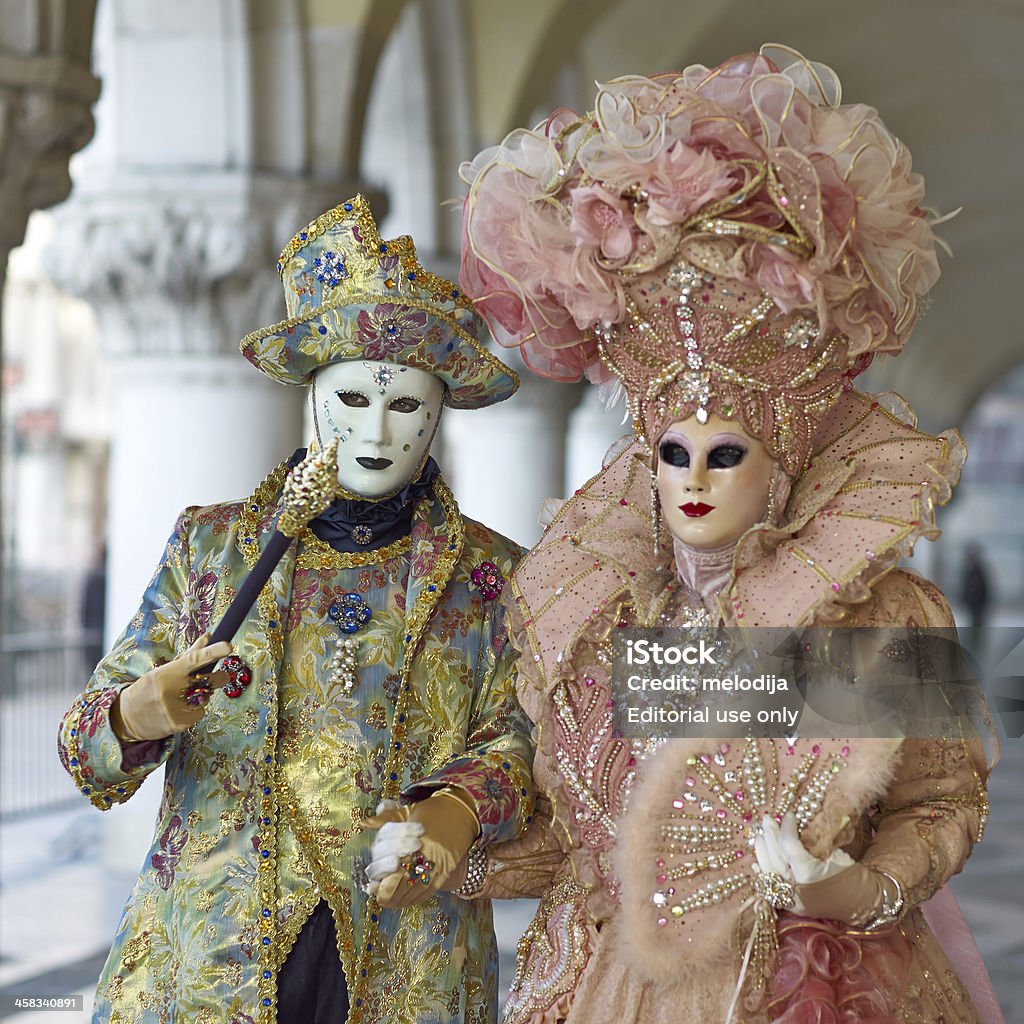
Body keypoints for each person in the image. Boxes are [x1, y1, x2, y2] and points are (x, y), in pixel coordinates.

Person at [456, 46, 1003, 1023]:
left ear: (782, 461)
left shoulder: (882, 613)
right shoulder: (606, 610)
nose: (695, 480)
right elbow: (598, 844)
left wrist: (847, 890)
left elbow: (936, 803)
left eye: (726, 453)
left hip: (814, 987)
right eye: (675, 453)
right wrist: (451, 848)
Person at [58, 195, 535, 1024]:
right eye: (353, 400)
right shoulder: (211, 550)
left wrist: (452, 813)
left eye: (406, 406)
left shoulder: (491, 575)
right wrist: (136, 712)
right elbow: (85, 747)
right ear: (313, 397)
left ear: (437, 416)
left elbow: (519, 738)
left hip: (405, 941)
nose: (378, 431)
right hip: (214, 945)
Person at [962, 545, 992, 632]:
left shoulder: (976, 571)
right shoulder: (973, 571)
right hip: (974, 604)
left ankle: (975, 640)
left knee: (976, 624)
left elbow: (979, 589)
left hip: (977, 604)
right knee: (975, 623)